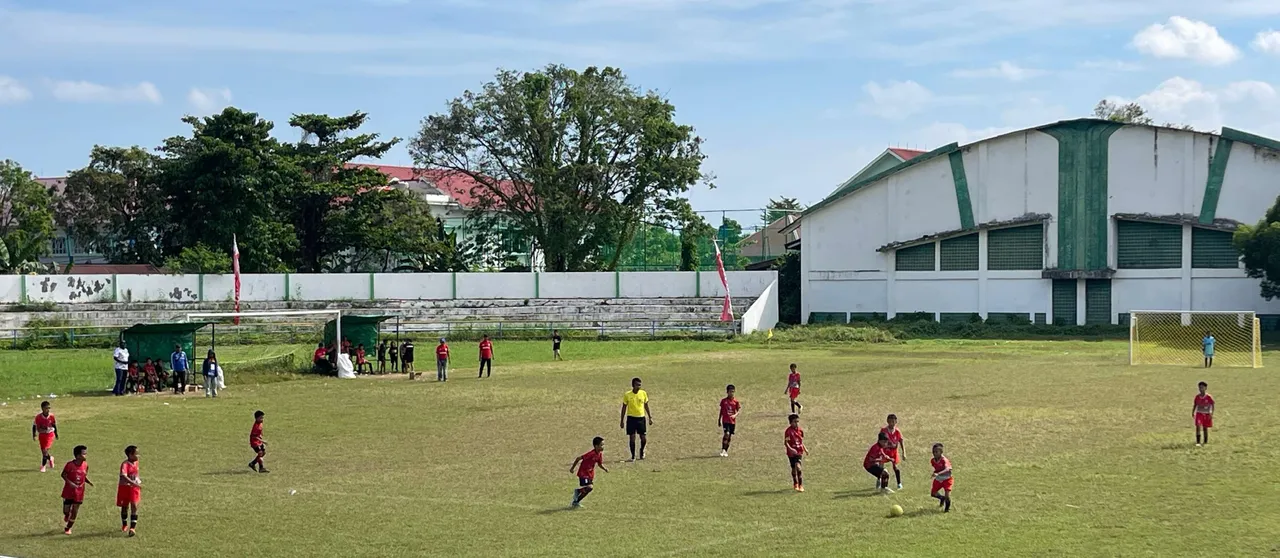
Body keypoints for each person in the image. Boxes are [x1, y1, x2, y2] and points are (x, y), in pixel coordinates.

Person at [60, 445, 93, 535]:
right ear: (78, 456)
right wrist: (70, 483)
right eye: (84, 454)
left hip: (79, 492)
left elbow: (83, 476)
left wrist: (88, 481)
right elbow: (63, 475)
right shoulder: (69, 465)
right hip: (68, 491)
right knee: (66, 511)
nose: (86, 455)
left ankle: (68, 528)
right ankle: (67, 514)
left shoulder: (86, 465)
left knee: (75, 511)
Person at [569, 436, 608, 508]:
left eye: (603, 445)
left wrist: (604, 469)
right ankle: (578, 491)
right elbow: (578, 458)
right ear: (596, 446)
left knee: (588, 489)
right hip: (583, 473)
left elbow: (599, 464)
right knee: (589, 487)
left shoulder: (599, 454)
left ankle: (576, 502)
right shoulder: (591, 454)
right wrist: (572, 468)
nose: (603, 447)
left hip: (590, 475)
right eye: (601, 445)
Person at [620, 377, 653, 461]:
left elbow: (646, 405)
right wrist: (622, 420)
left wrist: (650, 417)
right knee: (632, 438)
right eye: (637, 385)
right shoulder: (627, 395)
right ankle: (633, 455)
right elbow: (624, 407)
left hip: (641, 418)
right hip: (631, 418)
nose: (639, 387)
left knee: (643, 438)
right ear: (633, 385)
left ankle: (642, 450)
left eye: (640, 385)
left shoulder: (643, 393)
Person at [117, 445, 141, 536]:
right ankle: (124, 524)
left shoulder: (136, 463)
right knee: (124, 506)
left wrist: (137, 481)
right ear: (130, 455)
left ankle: (132, 528)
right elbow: (123, 476)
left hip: (134, 488)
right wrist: (133, 482)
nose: (138, 456)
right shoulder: (125, 464)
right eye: (136, 454)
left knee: (134, 505)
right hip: (124, 488)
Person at [881, 414, 905, 490]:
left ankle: (899, 483)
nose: (891, 423)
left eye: (893, 422)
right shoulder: (884, 431)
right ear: (887, 421)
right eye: (890, 421)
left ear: (896, 422)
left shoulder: (897, 432)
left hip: (893, 452)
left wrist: (904, 452)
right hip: (885, 451)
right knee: (880, 467)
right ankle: (880, 481)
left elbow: (901, 441)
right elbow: (880, 441)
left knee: (895, 467)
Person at [784, 413, 807, 492]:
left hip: (799, 452)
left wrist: (805, 449)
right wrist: (791, 449)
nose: (796, 423)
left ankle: (801, 485)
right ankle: (795, 483)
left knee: (798, 467)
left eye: (797, 422)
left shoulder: (800, 430)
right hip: (791, 454)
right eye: (794, 422)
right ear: (790, 422)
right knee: (794, 469)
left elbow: (801, 441)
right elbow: (785, 443)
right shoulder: (788, 431)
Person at [33, 400, 58, 472]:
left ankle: (43, 466)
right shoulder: (38, 417)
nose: (48, 410)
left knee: (45, 451)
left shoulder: (52, 416)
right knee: (44, 451)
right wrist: (34, 434)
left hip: (50, 435)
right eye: (46, 408)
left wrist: (56, 433)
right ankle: (50, 458)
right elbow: (34, 426)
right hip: (42, 435)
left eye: (49, 408)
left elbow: (54, 425)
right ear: (42, 408)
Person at [718, 384, 741, 457]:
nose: (732, 393)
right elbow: (721, 411)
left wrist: (735, 415)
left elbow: (738, 410)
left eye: (733, 392)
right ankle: (723, 449)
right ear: (727, 392)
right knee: (726, 434)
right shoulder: (724, 401)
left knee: (729, 436)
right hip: (725, 421)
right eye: (730, 392)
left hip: (732, 422)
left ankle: (725, 450)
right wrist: (719, 419)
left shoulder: (735, 402)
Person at [930, 442, 953, 513]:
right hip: (939, 479)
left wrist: (938, 473)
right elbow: (937, 468)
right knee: (933, 493)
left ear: (941, 452)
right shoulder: (933, 461)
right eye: (933, 452)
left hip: (947, 479)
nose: (934, 453)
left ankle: (947, 510)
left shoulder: (944, 460)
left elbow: (947, 469)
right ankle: (941, 498)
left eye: (936, 452)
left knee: (947, 495)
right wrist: (934, 473)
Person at [1193, 381, 1215, 446]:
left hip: (1207, 413)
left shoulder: (1209, 397)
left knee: (1205, 428)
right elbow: (1195, 404)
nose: (1200, 389)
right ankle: (1198, 442)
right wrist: (1193, 412)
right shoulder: (1197, 397)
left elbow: (1212, 405)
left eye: (1202, 387)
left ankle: (1205, 441)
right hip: (1199, 413)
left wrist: (1211, 413)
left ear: (1205, 388)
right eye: (1199, 388)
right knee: (1198, 426)